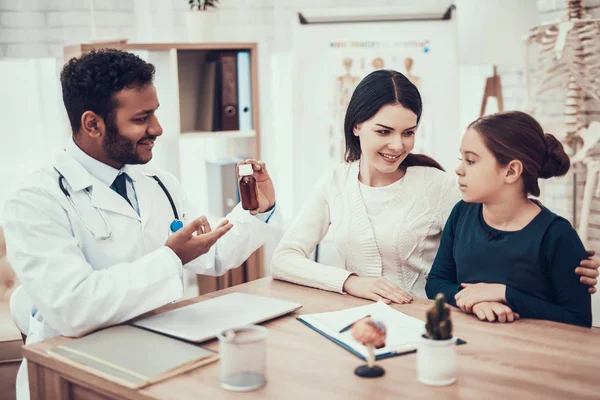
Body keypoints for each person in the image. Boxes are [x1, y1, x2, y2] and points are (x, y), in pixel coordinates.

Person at [3, 49, 278, 400]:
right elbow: (72, 307)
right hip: (74, 371)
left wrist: (255, 209)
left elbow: (213, 253)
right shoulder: (35, 200)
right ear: (92, 124)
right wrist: (169, 258)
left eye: (155, 113)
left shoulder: (157, 182)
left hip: (159, 351)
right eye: (141, 118)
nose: (157, 129)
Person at [271, 70, 599, 305]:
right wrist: (351, 283)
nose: (398, 145)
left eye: (408, 132)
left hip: (432, 322)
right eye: (384, 131)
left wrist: (564, 258)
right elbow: (283, 259)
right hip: (357, 322)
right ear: (357, 125)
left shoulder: (438, 185)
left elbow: (506, 224)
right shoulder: (334, 182)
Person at [426, 111, 591, 327]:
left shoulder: (557, 235)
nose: (459, 170)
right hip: (469, 343)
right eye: (461, 159)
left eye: (471, 161)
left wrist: (504, 294)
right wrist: (474, 301)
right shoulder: (461, 213)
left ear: (511, 171)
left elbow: (579, 320)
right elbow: (436, 283)